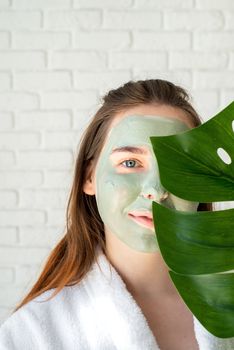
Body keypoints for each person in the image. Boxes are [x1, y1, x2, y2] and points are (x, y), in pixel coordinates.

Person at [0, 79, 232, 349]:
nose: (156, 190)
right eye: (131, 163)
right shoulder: (32, 333)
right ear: (90, 177)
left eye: (179, 166)